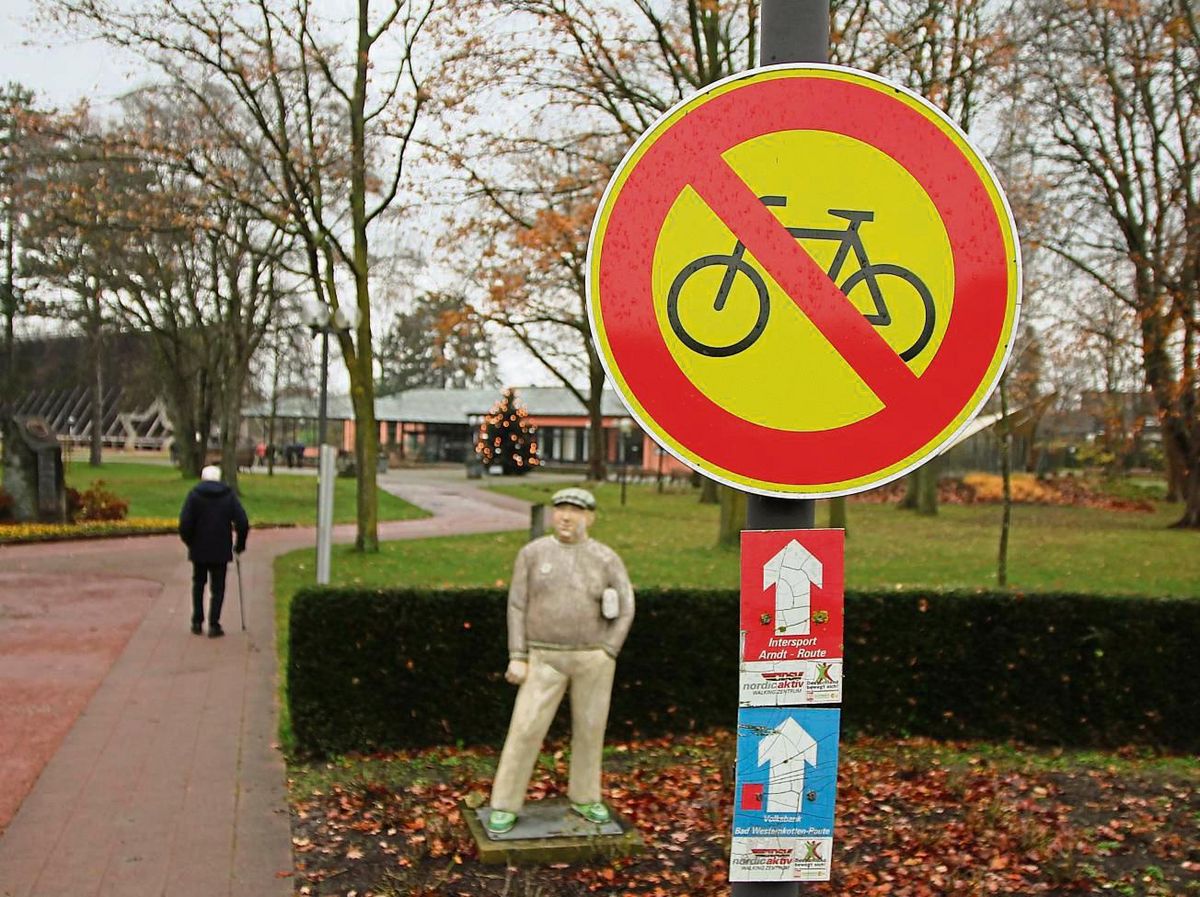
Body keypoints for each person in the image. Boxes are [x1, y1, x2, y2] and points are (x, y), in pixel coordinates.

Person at [487, 487, 635, 835]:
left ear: (590, 517)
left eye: (575, 511)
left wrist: (609, 649)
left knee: (590, 729)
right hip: (544, 656)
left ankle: (585, 795)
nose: (567, 517)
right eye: (561, 509)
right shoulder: (533, 554)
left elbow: (626, 604)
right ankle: (505, 802)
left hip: (592, 657)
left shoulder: (605, 558)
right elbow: (517, 605)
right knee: (525, 728)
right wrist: (517, 654)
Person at [178, 465, 249, 638]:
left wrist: (190, 542)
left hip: (199, 548)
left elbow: (184, 523)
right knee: (218, 588)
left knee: (198, 584)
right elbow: (243, 522)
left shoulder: (194, 495)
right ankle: (214, 623)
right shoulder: (228, 496)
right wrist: (239, 545)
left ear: (202, 478)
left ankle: (197, 621)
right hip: (221, 548)